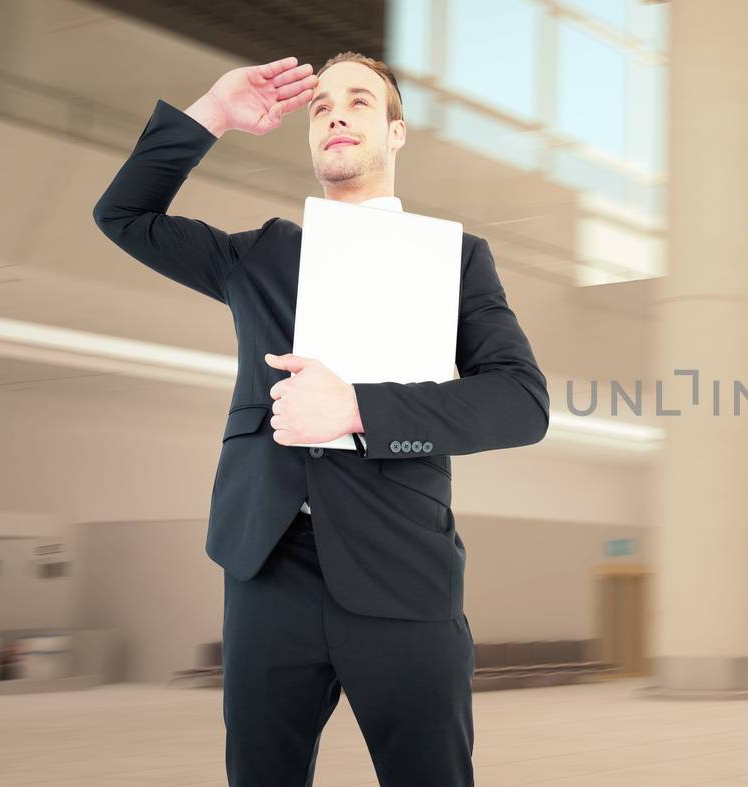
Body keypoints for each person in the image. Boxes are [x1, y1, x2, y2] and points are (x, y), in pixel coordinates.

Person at [92, 52, 550, 786]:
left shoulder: (455, 261)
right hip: (266, 567)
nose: (336, 113)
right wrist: (212, 109)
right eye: (321, 105)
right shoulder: (260, 257)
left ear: (396, 133)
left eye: (360, 101)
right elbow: (124, 216)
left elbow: (522, 402)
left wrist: (360, 409)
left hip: (402, 573)